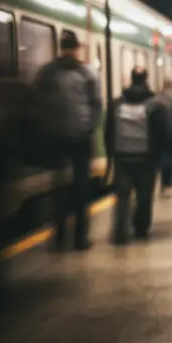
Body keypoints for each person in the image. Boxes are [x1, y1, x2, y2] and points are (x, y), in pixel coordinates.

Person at [34, 30, 102, 250]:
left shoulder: (47, 73)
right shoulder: (86, 72)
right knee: (81, 189)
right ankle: (80, 239)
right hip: (80, 140)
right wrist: (89, 129)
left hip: (56, 139)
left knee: (59, 188)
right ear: (75, 48)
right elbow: (96, 105)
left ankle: (59, 238)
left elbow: (39, 102)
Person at [105, 67, 161, 244]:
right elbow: (161, 133)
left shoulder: (117, 104)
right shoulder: (154, 104)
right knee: (144, 195)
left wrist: (111, 154)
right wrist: (157, 155)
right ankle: (141, 229)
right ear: (146, 78)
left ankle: (120, 232)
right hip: (146, 157)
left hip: (122, 157)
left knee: (122, 195)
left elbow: (108, 132)